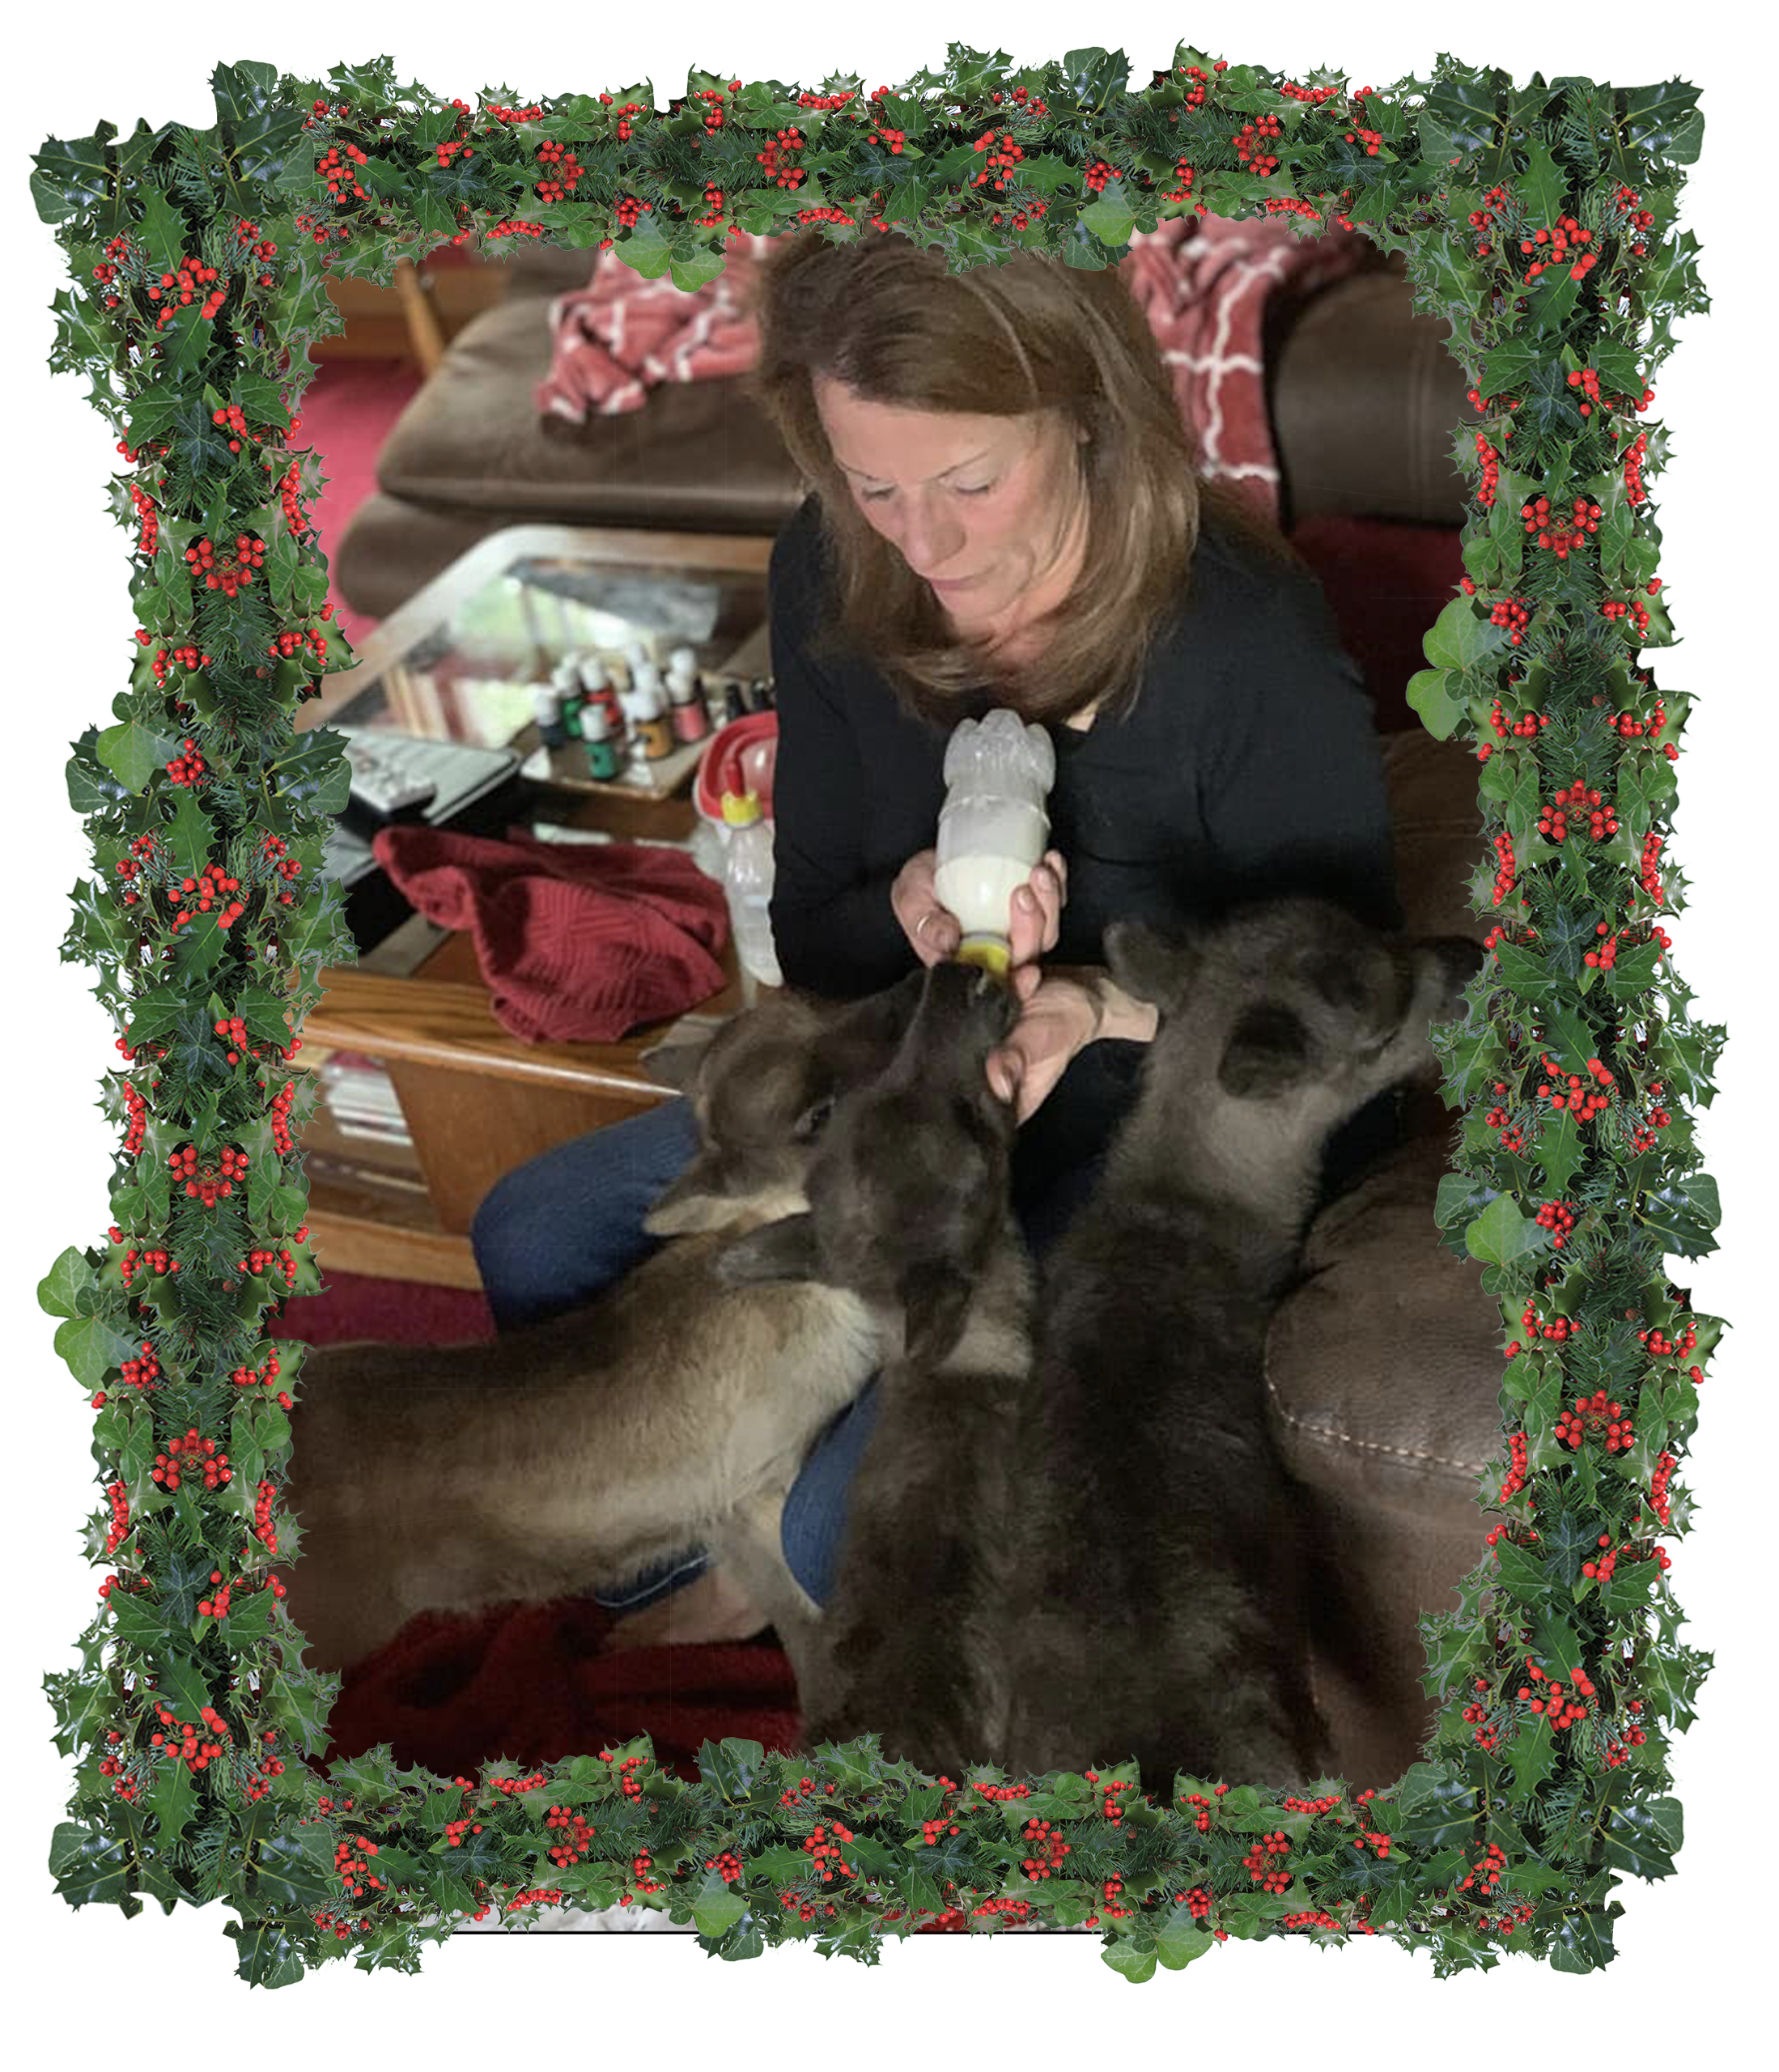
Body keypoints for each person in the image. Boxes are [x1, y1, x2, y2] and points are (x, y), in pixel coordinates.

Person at [469, 229, 1402, 1644]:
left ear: (1085, 416)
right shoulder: (832, 568)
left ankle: (781, 1542)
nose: (925, 540)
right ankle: (695, 1536)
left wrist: (1096, 1004)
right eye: (873, 483)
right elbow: (812, 931)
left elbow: (1357, 1016)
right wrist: (907, 899)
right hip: (903, 1079)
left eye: (971, 481)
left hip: (1129, 1123)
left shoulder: (1242, 644)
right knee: (530, 1239)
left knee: (846, 1530)